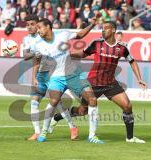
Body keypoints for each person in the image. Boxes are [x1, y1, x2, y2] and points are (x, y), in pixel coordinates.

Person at [50, 21, 147, 143]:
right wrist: (68, 55)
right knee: (82, 111)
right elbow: (84, 53)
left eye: (106, 28)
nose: (103, 30)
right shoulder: (97, 43)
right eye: (102, 28)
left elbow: (132, 61)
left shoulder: (122, 48)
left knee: (127, 106)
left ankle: (130, 138)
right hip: (93, 84)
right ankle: (58, 116)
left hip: (110, 84)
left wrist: (139, 78)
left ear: (113, 30)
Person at [34, 16, 104, 144]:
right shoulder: (38, 45)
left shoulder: (62, 34)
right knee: (53, 101)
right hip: (56, 77)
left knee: (92, 99)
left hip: (73, 74)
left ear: (48, 26)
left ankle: (92, 136)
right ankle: (44, 131)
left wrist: (92, 25)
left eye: (39, 27)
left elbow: (80, 34)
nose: (37, 30)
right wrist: (35, 76)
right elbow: (36, 61)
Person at [23, 15, 77, 141]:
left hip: (53, 74)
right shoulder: (28, 39)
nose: (29, 27)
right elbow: (29, 57)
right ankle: (37, 132)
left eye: (32, 24)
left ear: (38, 25)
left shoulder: (47, 37)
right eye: (27, 25)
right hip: (41, 75)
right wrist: (34, 77)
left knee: (58, 104)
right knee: (34, 101)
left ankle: (72, 127)